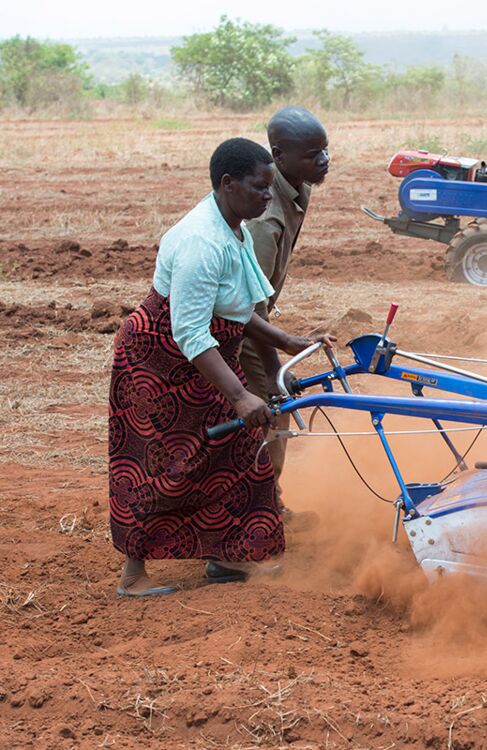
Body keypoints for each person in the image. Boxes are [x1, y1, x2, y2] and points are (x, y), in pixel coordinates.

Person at [108, 137, 334, 597]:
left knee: (236, 448)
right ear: (228, 184)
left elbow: (236, 309)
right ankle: (134, 577)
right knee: (160, 464)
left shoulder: (235, 229)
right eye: (259, 187)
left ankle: (229, 556)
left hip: (199, 358)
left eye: (270, 187)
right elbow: (190, 331)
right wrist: (239, 394)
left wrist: (288, 341)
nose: (268, 197)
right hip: (158, 363)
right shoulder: (201, 242)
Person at [238, 107, 329, 515]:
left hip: (253, 313)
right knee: (274, 403)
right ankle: (262, 505)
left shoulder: (298, 187)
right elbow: (245, 308)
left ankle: (265, 499)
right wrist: (276, 367)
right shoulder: (265, 217)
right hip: (236, 321)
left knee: (277, 396)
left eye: (325, 151)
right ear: (279, 154)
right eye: (312, 154)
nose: (323, 161)